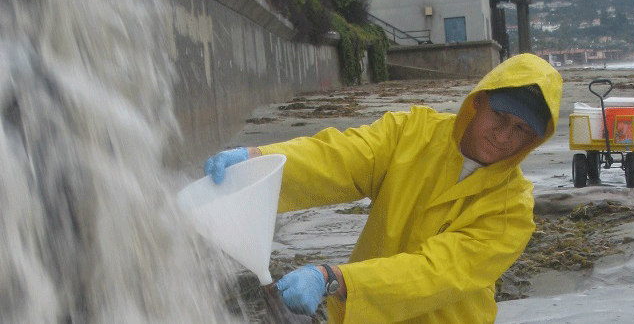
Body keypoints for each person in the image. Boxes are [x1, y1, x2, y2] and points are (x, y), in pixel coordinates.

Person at [204, 53, 563, 324]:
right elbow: (339, 158)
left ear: (534, 140)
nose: (503, 137)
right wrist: (261, 159)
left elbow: (434, 273)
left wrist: (335, 279)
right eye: (500, 117)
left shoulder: (512, 210)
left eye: (520, 130)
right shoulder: (412, 132)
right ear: (478, 103)